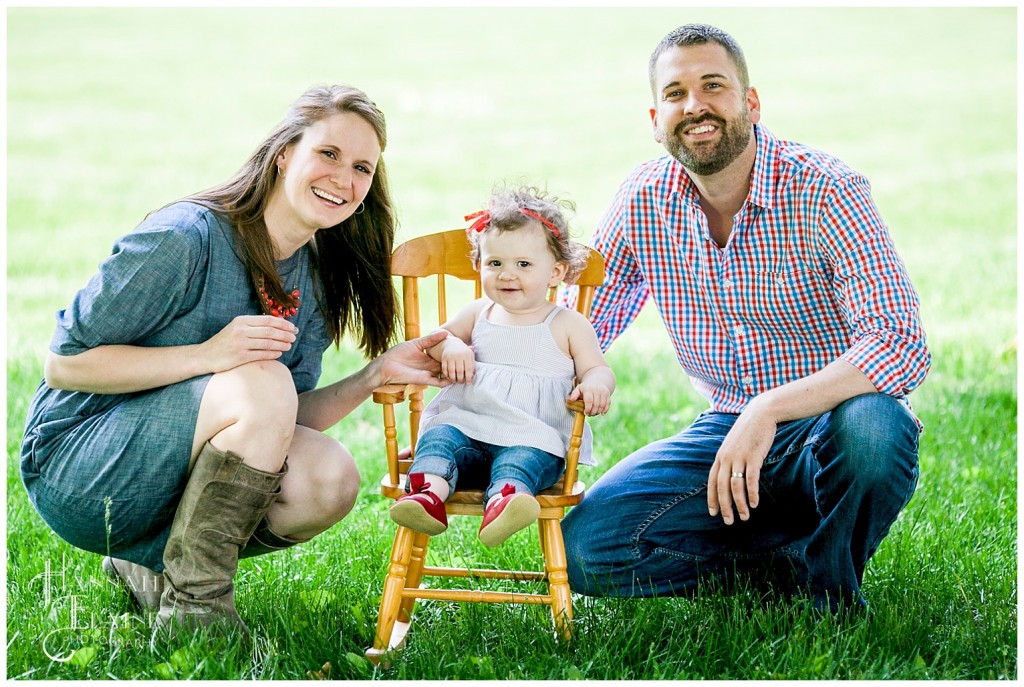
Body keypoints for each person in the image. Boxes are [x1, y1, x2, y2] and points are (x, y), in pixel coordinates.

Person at [19, 85, 449, 642]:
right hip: (79, 467)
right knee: (260, 378)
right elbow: (65, 366)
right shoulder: (185, 238)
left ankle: (152, 569)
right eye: (329, 154)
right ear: (283, 153)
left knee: (330, 477)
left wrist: (373, 377)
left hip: (165, 470)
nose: (345, 179)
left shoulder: (312, 274)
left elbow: (274, 421)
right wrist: (208, 357)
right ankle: (197, 614)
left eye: (363, 168)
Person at [559, 24, 930, 613]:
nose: (695, 106)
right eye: (676, 94)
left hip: (830, 421)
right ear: (655, 119)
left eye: (714, 86)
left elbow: (900, 343)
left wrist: (769, 407)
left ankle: (830, 595)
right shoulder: (643, 200)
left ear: (751, 102)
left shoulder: (826, 190)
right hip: (725, 428)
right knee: (587, 548)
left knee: (874, 432)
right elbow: (579, 326)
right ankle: (784, 567)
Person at [388, 185, 616, 547]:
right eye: (495, 264)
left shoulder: (569, 324)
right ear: (480, 265)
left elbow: (597, 369)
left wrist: (596, 386)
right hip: (469, 426)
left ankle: (505, 501)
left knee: (520, 462)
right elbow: (432, 341)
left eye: (523, 265)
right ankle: (427, 495)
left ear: (556, 272)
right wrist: (449, 345)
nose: (507, 275)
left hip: (532, 436)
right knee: (439, 437)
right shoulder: (478, 313)